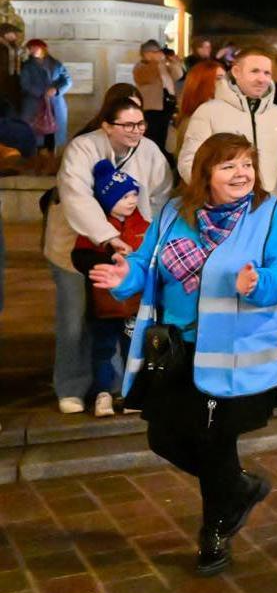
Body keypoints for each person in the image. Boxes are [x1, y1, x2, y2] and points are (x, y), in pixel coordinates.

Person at [90, 132, 277, 576]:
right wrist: (123, 278)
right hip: (175, 350)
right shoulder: (173, 213)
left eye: (246, 164)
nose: (242, 173)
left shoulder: (270, 216)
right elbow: (146, 267)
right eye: (228, 166)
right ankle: (239, 488)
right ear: (204, 174)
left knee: (214, 440)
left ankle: (215, 533)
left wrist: (258, 284)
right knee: (163, 438)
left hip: (233, 355)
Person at [44, 94, 171, 414]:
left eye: (140, 123)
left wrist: (146, 240)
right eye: (127, 124)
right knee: (75, 318)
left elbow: (159, 196)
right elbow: (76, 195)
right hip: (76, 248)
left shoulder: (150, 151)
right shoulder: (83, 148)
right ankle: (71, 386)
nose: (136, 130)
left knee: (121, 318)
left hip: (129, 251)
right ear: (106, 125)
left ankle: (114, 386)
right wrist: (109, 235)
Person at [67, 156, 150, 417]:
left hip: (134, 305)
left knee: (133, 348)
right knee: (102, 349)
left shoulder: (144, 226)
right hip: (102, 304)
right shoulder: (95, 231)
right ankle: (103, 394)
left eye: (135, 195)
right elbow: (79, 258)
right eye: (125, 197)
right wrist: (109, 257)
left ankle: (130, 394)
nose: (132, 201)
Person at [178, 48, 277, 205]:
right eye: (255, 71)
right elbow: (190, 161)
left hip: (274, 211)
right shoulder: (208, 112)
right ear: (236, 72)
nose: (262, 79)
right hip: (223, 212)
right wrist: (212, 195)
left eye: (267, 73)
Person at [20, 39, 70, 153]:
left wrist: (56, 90)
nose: (32, 50)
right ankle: (37, 163)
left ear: (43, 48)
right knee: (36, 136)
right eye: (30, 48)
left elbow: (67, 80)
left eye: (35, 47)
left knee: (53, 137)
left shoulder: (56, 64)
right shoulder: (27, 66)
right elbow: (25, 84)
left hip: (55, 104)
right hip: (35, 105)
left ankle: (51, 162)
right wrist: (42, 92)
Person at [132, 40, 177, 154]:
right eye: (156, 51)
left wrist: (174, 62)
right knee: (153, 137)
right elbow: (150, 76)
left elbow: (178, 74)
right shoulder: (140, 67)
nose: (159, 54)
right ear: (147, 53)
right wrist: (160, 62)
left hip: (166, 105)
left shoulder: (162, 65)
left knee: (164, 136)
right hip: (151, 109)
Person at [173, 57, 224, 147]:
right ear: (203, 83)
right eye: (219, 79)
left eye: (225, 78)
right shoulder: (194, 121)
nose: (225, 83)